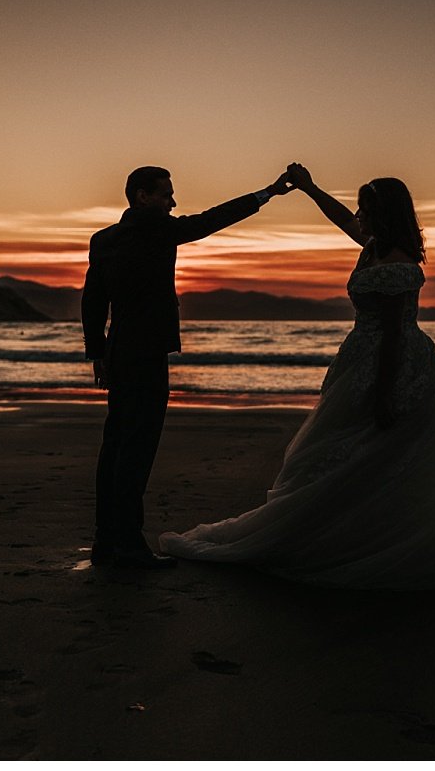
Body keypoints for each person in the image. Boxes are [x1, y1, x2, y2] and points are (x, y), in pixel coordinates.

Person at [159, 164, 435, 589]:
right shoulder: (373, 246)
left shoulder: (397, 264)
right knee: (345, 453)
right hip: (361, 358)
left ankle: (378, 541)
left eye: (366, 209)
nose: (359, 215)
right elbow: (343, 220)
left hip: (396, 363)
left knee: (389, 452)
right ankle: (347, 532)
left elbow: (393, 337)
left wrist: (385, 392)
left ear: (384, 213)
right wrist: (310, 189)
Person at [82, 166, 294, 568]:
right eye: (166, 195)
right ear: (142, 197)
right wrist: (266, 193)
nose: (173, 203)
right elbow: (209, 221)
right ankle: (127, 545)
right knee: (137, 450)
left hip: (120, 351)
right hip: (146, 354)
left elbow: (93, 301)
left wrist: (97, 354)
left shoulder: (103, 239)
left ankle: (105, 541)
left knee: (115, 447)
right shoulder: (154, 228)